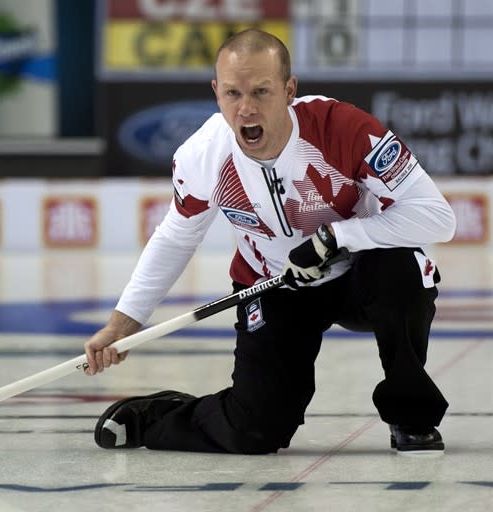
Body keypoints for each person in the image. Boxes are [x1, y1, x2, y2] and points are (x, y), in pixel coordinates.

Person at [83, 28, 456, 455]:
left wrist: (339, 235)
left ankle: (412, 417)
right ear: (216, 93)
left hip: (362, 277)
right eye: (232, 94)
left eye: (261, 91)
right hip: (275, 285)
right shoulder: (203, 155)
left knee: (403, 270)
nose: (246, 108)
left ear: (288, 89)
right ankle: (159, 415)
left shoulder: (344, 128)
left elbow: (437, 217)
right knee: (255, 431)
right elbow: (176, 237)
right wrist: (121, 324)